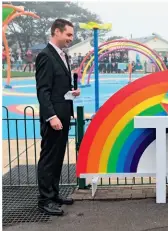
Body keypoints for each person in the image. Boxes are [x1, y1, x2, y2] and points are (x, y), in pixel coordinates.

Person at [35, 18, 80, 216]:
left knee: (57, 158)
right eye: (68, 34)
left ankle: (53, 195)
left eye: (72, 35)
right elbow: (43, 91)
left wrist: (71, 92)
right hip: (54, 118)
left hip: (63, 115)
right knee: (48, 159)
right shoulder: (46, 56)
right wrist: (51, 116)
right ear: (56, 32)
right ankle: (44, 200)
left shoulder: (62, 56)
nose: (71, 38)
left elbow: (57, 87)